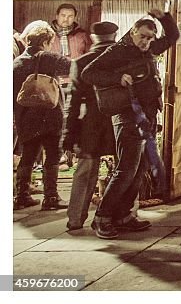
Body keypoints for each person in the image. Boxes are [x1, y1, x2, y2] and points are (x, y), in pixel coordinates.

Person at [82, 9, 177, 239]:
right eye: (143, 36)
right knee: (126, 169)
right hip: (127, 115)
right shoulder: (118, 51)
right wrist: (117, 78)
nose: (146, 41)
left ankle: (123, 216)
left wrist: (163, 17)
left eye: (150, 38)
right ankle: (102, 218)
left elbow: (173, 36)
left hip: (147, 115)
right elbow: (88, 73)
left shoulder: (149, 49)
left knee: (140, 168)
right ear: (133, 32)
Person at [62, 21, 118, 230]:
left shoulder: (81, 62)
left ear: (93, 38)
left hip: (91, 125)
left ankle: (75, 218)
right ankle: (116, 216)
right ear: (114, 36)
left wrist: (68, 134)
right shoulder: (122, 60)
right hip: (118, 122)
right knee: (123, 171)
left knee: (85, 173)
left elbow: (73, 103)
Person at [13, 21, 72, 211]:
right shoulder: (49, 58)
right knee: (53, 155)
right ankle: (51, 197)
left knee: (28, 156)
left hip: (25, 117)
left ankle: (21, 196)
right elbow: (74, 69)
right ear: (46, 41)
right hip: (50, 115)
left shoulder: (16, 63)